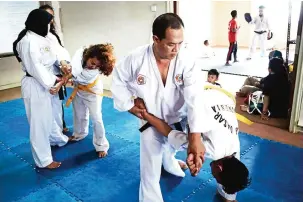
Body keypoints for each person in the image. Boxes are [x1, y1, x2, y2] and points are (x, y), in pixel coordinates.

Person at [111, 13, 205, 202]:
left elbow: (195, 98)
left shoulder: (187, 60)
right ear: (155, 39)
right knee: (150, 169)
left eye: (181, 43)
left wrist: (196, 135)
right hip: (151, 119)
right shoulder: (136, 58)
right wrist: (129, 105)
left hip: (180, 117)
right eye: (171, 44)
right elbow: (118, 81)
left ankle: (170, 162)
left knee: (171, 150)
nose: (176, 49)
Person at [134, 82, 251, 202]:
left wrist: (229, 198)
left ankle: (168, 161)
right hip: (182, 96)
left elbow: (235, 173)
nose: (213, 176)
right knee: (159, 138)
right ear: (220, 168)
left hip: (218, 94)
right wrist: (146, 115)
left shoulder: (234, 148)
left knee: (182, 130)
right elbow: (168, 132)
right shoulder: (212, 151)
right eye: (216, 178)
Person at [13, 9, 71, 169]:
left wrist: (62, 66)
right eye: (47, 22)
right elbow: (35, 67)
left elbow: (54, 57)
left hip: (48, 83)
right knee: (39, 123)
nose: (49, 26)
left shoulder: (43, 38)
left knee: (49, 117)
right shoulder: (28, 41)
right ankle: (43, 160)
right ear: (38, 23)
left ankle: (57, 139)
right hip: (35, 84)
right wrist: (54, 80)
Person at [66, 44, 115, 158]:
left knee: (97, 118)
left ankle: (101, 145)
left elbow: (75, 74)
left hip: (92, 91)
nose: (94, 67)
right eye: (92, 63)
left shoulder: (92, 72)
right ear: (88, 56)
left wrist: (67, 76)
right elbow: (75, 68)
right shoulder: (80, 53)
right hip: (79, 89)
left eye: (98, 66)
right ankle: (79, 134)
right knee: (79, 114)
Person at [40, 4, 70, 134]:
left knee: (57, 104)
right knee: (45, 107)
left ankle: (59, 128)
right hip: (42, 75)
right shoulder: (34, 36)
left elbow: (61, 52)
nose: (49, 18)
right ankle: (50, 132)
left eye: (51, 16)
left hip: (56, 74)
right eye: (46, 15)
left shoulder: (53, 35)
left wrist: (64, 64)